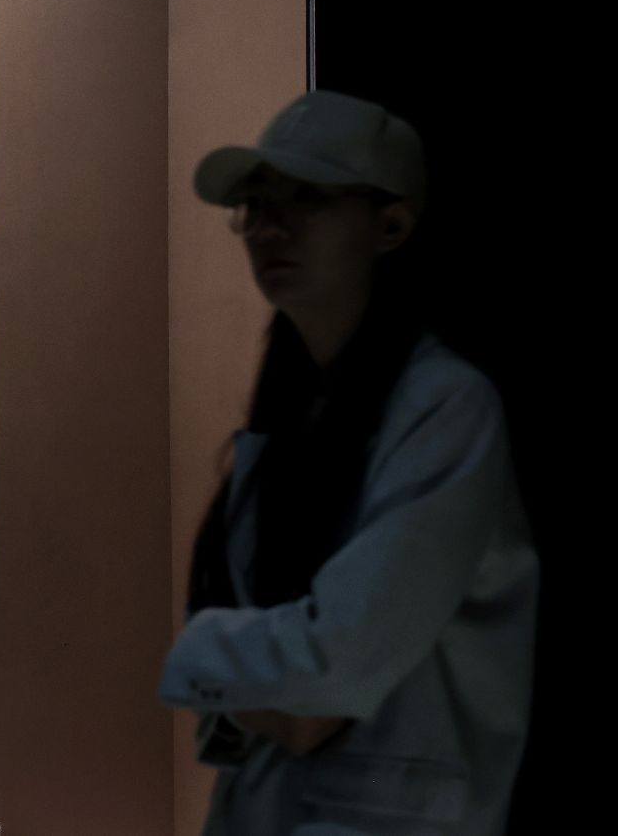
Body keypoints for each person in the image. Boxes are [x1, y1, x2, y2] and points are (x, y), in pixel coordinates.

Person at [158, 90, 539, 835]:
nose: (269, 226)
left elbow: (335, 659)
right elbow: (297, 699)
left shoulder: (447, 407)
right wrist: (265, 684)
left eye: (306, 198)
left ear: (389, 225)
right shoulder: (292, 416)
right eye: (256, 204)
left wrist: (200, 650)